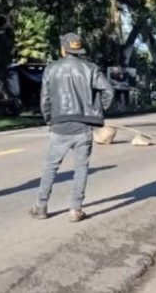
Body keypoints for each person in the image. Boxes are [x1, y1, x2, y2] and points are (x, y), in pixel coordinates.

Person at [31, 33, 115, 222]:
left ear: (63, 49)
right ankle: (75, 210)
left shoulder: (51, 69)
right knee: (81, 168)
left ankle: (41, 207)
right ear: (78, 49)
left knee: (51, 168)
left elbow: (44, 99)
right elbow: (109, 90)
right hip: (83, 126)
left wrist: (49, 120)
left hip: (59, 125)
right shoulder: (90, 68)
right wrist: (97, 111)